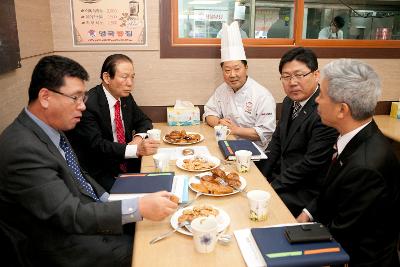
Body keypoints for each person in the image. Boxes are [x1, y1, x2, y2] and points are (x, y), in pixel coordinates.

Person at [0, 55, 178, 267]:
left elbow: (80, 174)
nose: (82, 106)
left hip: (86, 214)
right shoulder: (23, 148)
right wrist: (137, 207)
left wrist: (110, 201)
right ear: (45, 97)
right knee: (156, 252)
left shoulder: (51, 128)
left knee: (163, 222)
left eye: (82, 98)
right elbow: (70, 214)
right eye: (75, 98)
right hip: (65, 244)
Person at [297, 59, 400, 266]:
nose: (317, 100)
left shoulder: (365, 167)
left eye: (322, 95)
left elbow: (341, 238)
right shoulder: (355, 134)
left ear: (342, 110)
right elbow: (332, 190)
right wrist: (306, 215)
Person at [258, 47, 338, 217]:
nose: (292, 82)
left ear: (316, 75)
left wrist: (272, 187)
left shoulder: (324, 110)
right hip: (282, 177)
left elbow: (311, 163)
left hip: (304, 190)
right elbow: (277, 142)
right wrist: (261, 177)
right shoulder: (288, 102)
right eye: (286, 77)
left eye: (299, 75)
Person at [66, 54, 159, 191]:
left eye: (132, 77)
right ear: (107, 77)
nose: (130, 83)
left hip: (128, 163)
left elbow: (144, 120)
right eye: (124, 77)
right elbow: (97, 145)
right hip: (101, 171)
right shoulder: (88, 104)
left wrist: (137, 140)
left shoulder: (125, 97)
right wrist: (135, 150)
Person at [204, 21, 276, 150]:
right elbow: (209, 113)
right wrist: (219, 122)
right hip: (227, 144)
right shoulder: (222, 89)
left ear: (246, 67)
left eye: (237, 69)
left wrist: (235, 130)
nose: (232, 75)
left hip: (255, 152)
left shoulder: (261, 95)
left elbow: (266, 132)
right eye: (227, 70)